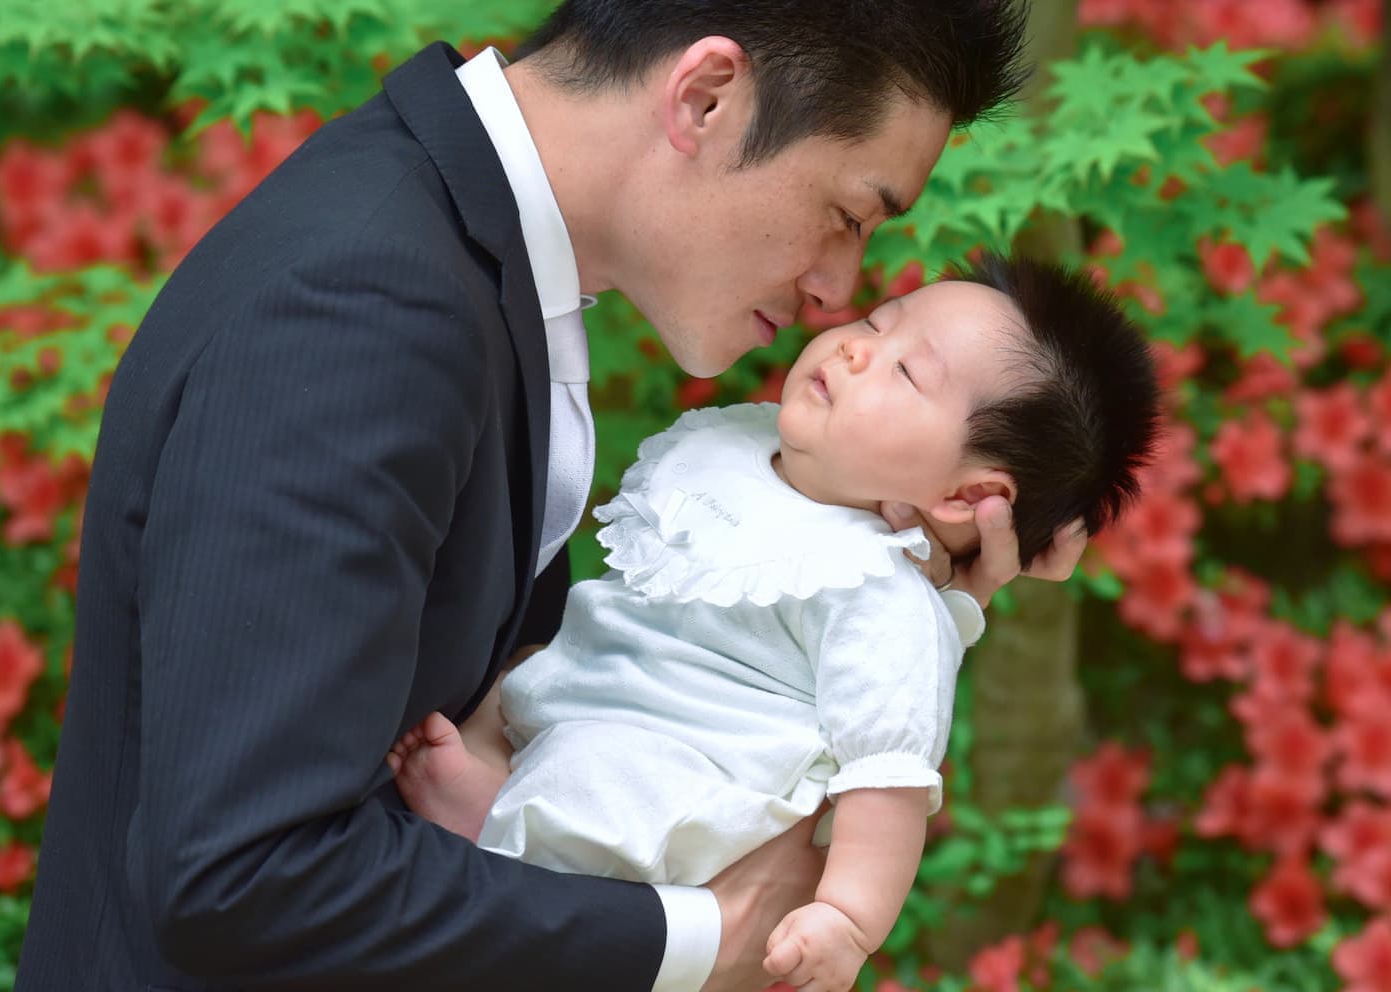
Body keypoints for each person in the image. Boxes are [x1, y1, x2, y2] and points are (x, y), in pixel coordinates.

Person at [16, 0, 1085, 992]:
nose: (838, 290)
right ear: (710, 96)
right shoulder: (361, 310)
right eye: (847, 209)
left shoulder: (473, 264)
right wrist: (694, 941)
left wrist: (900, 595)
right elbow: (244, 871)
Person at [387, 256, 1160, 992]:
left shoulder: (883, 598)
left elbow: (885, 780)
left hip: (685, 774)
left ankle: (503, 830)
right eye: (881, 323)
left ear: (966, 497)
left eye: (906, 371)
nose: (859, 349)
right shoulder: (742, 447)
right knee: (516, 677)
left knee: (608, 778)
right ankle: (510, 789)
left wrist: (845, 917)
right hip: (596, 694)